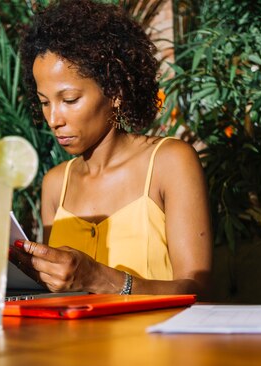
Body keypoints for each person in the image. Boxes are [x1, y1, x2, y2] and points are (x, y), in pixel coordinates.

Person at [12, 0, 212, 297]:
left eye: (69, 100)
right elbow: (59, 294)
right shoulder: (56, 185)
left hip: (156, 342)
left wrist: (98, 278)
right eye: (44, 102)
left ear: (115, 92)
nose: (54, 119)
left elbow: (199, 292)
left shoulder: (169, 163)